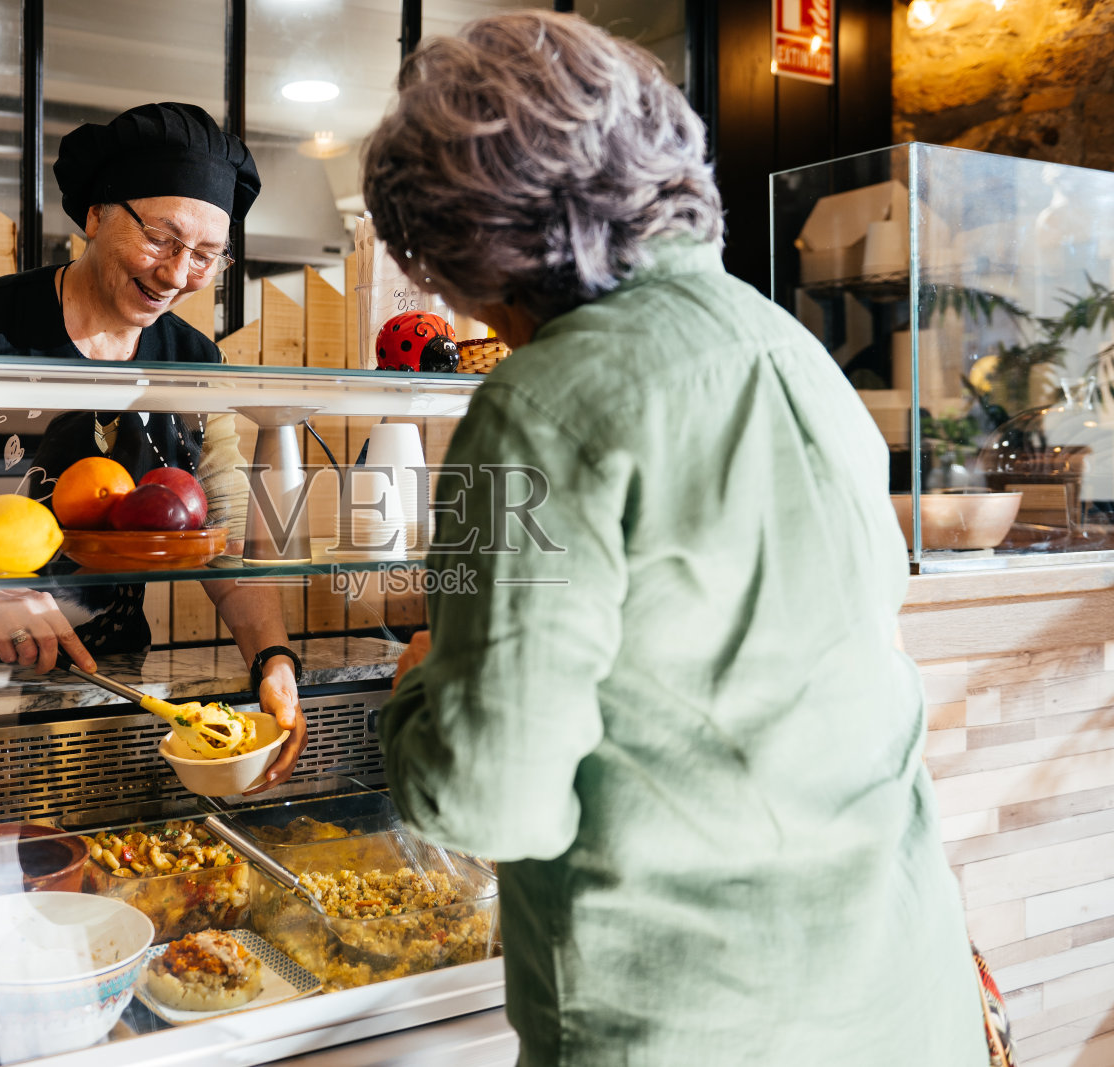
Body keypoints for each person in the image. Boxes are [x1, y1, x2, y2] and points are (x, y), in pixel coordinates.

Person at [369, 13, 991, 1066]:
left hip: (684, 1021)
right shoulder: (790, 350)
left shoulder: (530, 406)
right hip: (901, 992)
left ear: (477, 236)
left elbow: (487, 796)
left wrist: (415, 693)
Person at [0, 102, 306, 791]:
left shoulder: (195, 365)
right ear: (97, 216)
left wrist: (273, 659)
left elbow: (223, 543)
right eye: (163, 240)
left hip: (100, 700)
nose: (176, 274)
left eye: (205, 256)